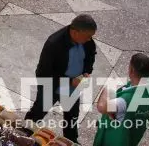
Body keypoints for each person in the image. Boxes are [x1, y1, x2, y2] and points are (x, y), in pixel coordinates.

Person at [25, 14, 97, 144]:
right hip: (51, 86)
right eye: (87, 36)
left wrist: (87, 72)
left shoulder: (88, 42)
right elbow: (43, 73)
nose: (89, 39)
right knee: (37, 113)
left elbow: (90, 58)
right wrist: (69, 81)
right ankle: (24, 133)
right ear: (75, 32)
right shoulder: (54, 43)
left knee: (71, 118)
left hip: (73, 88)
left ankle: (70, 141)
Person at [94, 53, 149, 146]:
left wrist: (108, 88)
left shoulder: (125, 101)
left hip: (116, 138)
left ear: (131, 70)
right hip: (135, 133)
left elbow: (101, 107)